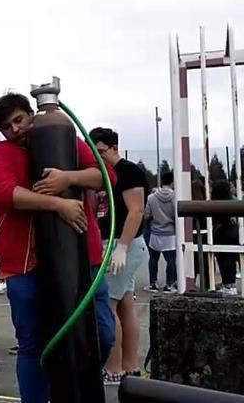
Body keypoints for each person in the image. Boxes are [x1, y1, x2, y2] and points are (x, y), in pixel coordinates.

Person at [0, 93, 116, 403]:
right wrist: (58, 204)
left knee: (103, 333)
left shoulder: (68, 139)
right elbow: (4, 193)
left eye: (19, 119)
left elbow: (106, 176)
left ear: (32, 114)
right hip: (25, 265)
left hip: (85, 260)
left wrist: (68, 178)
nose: (15, 129)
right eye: (6, 126)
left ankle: (79, 385)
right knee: (33, 343)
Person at [89, 127, 149, 384]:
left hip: (122, 244)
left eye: (102, 151)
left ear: (114, 148)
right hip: (113, 242)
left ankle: (113, 368)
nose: (98, 156)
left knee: (107, 306)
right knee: (124, 304)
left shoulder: (128, 171)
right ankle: (130, 366)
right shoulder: (101, 175)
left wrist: (122, 247)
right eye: (95, 152)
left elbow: (135, 211)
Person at [144, 172, 177, 292]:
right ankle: (170, 284)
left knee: (153, 259)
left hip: (156, 232)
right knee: (171, 261)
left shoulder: (151, 197)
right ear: (173, 182)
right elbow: (176, 214)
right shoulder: (175, 197)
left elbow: (147, 215)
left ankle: (153, 283)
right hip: (171, 233)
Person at [210, 180, 240, 295]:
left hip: (221, 231)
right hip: (231, 230)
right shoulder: (232, 202)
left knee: (224, 258)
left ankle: (228, 284)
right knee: (230, 258)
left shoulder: (214, 204)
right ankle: (229, 284)